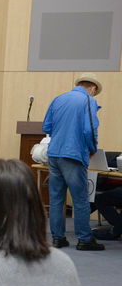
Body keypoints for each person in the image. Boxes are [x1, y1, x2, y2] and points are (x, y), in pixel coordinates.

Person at [43, 73, 105, 251]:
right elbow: (89, 130)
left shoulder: (58, 99)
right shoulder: (88, 101)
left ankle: (58, 238)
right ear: (92, 88)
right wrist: (92, 149)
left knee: (56, 198)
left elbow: (47, 126)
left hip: (54, 154)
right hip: (73, 155)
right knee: (80, 200)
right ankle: (85, 239)